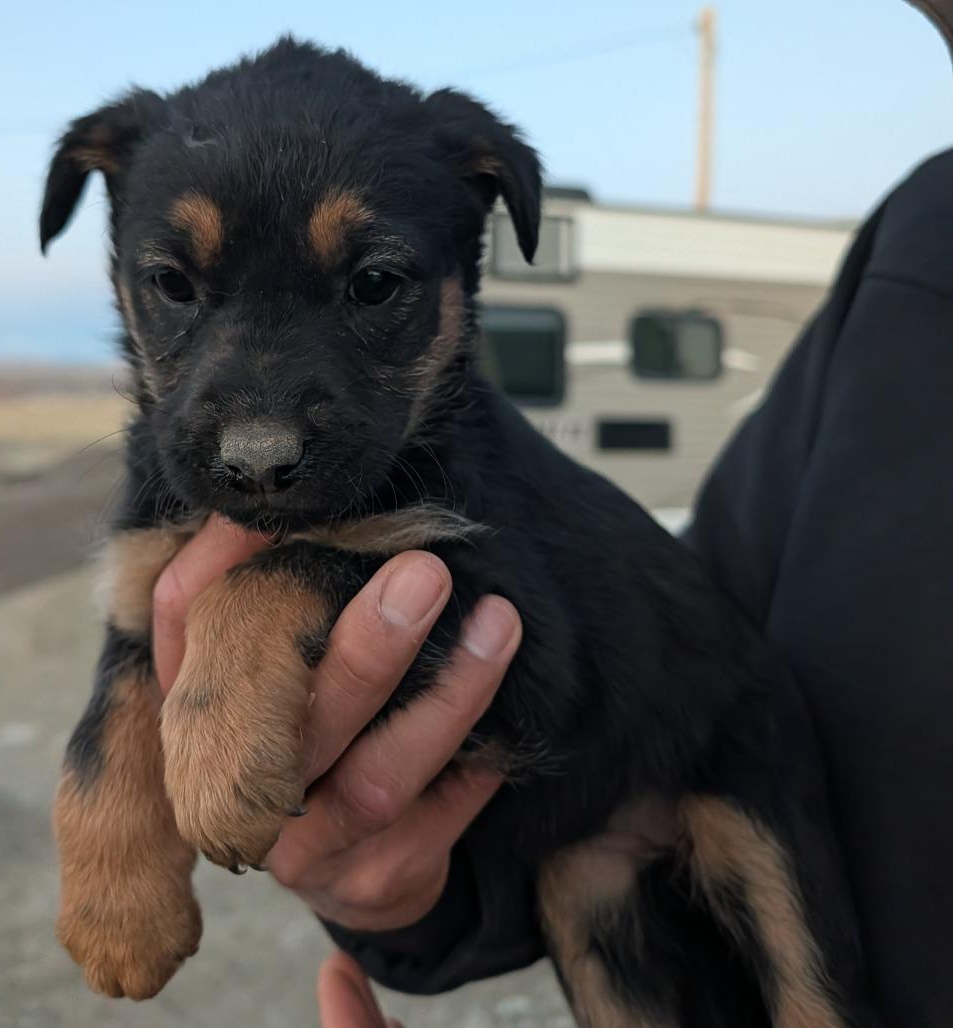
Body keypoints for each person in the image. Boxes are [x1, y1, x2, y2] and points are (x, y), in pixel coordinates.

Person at [152, 137, 953, 1028]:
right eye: (175, 288)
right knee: (592, 903)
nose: (261, 439)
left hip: (727, 772)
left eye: (374, 285)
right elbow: (684, 622)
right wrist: (413, 893)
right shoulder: (920, 245)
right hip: (594, 805)